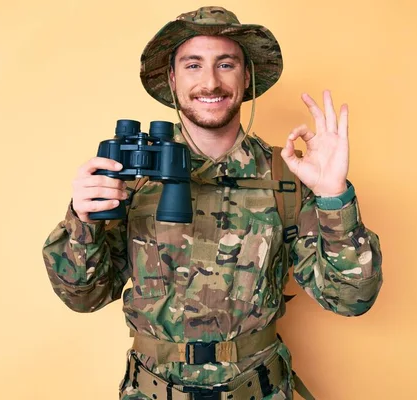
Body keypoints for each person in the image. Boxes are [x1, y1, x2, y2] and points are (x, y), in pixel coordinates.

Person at [42, 6, 383, 399]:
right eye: (192, 65)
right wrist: (82, 221)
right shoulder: (131, 178)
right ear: (172, 78)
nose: (210, 82)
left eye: (226, 64)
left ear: (247, 76)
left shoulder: (287, 178)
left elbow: (352, 299)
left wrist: (332, 195)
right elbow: (83, 297)